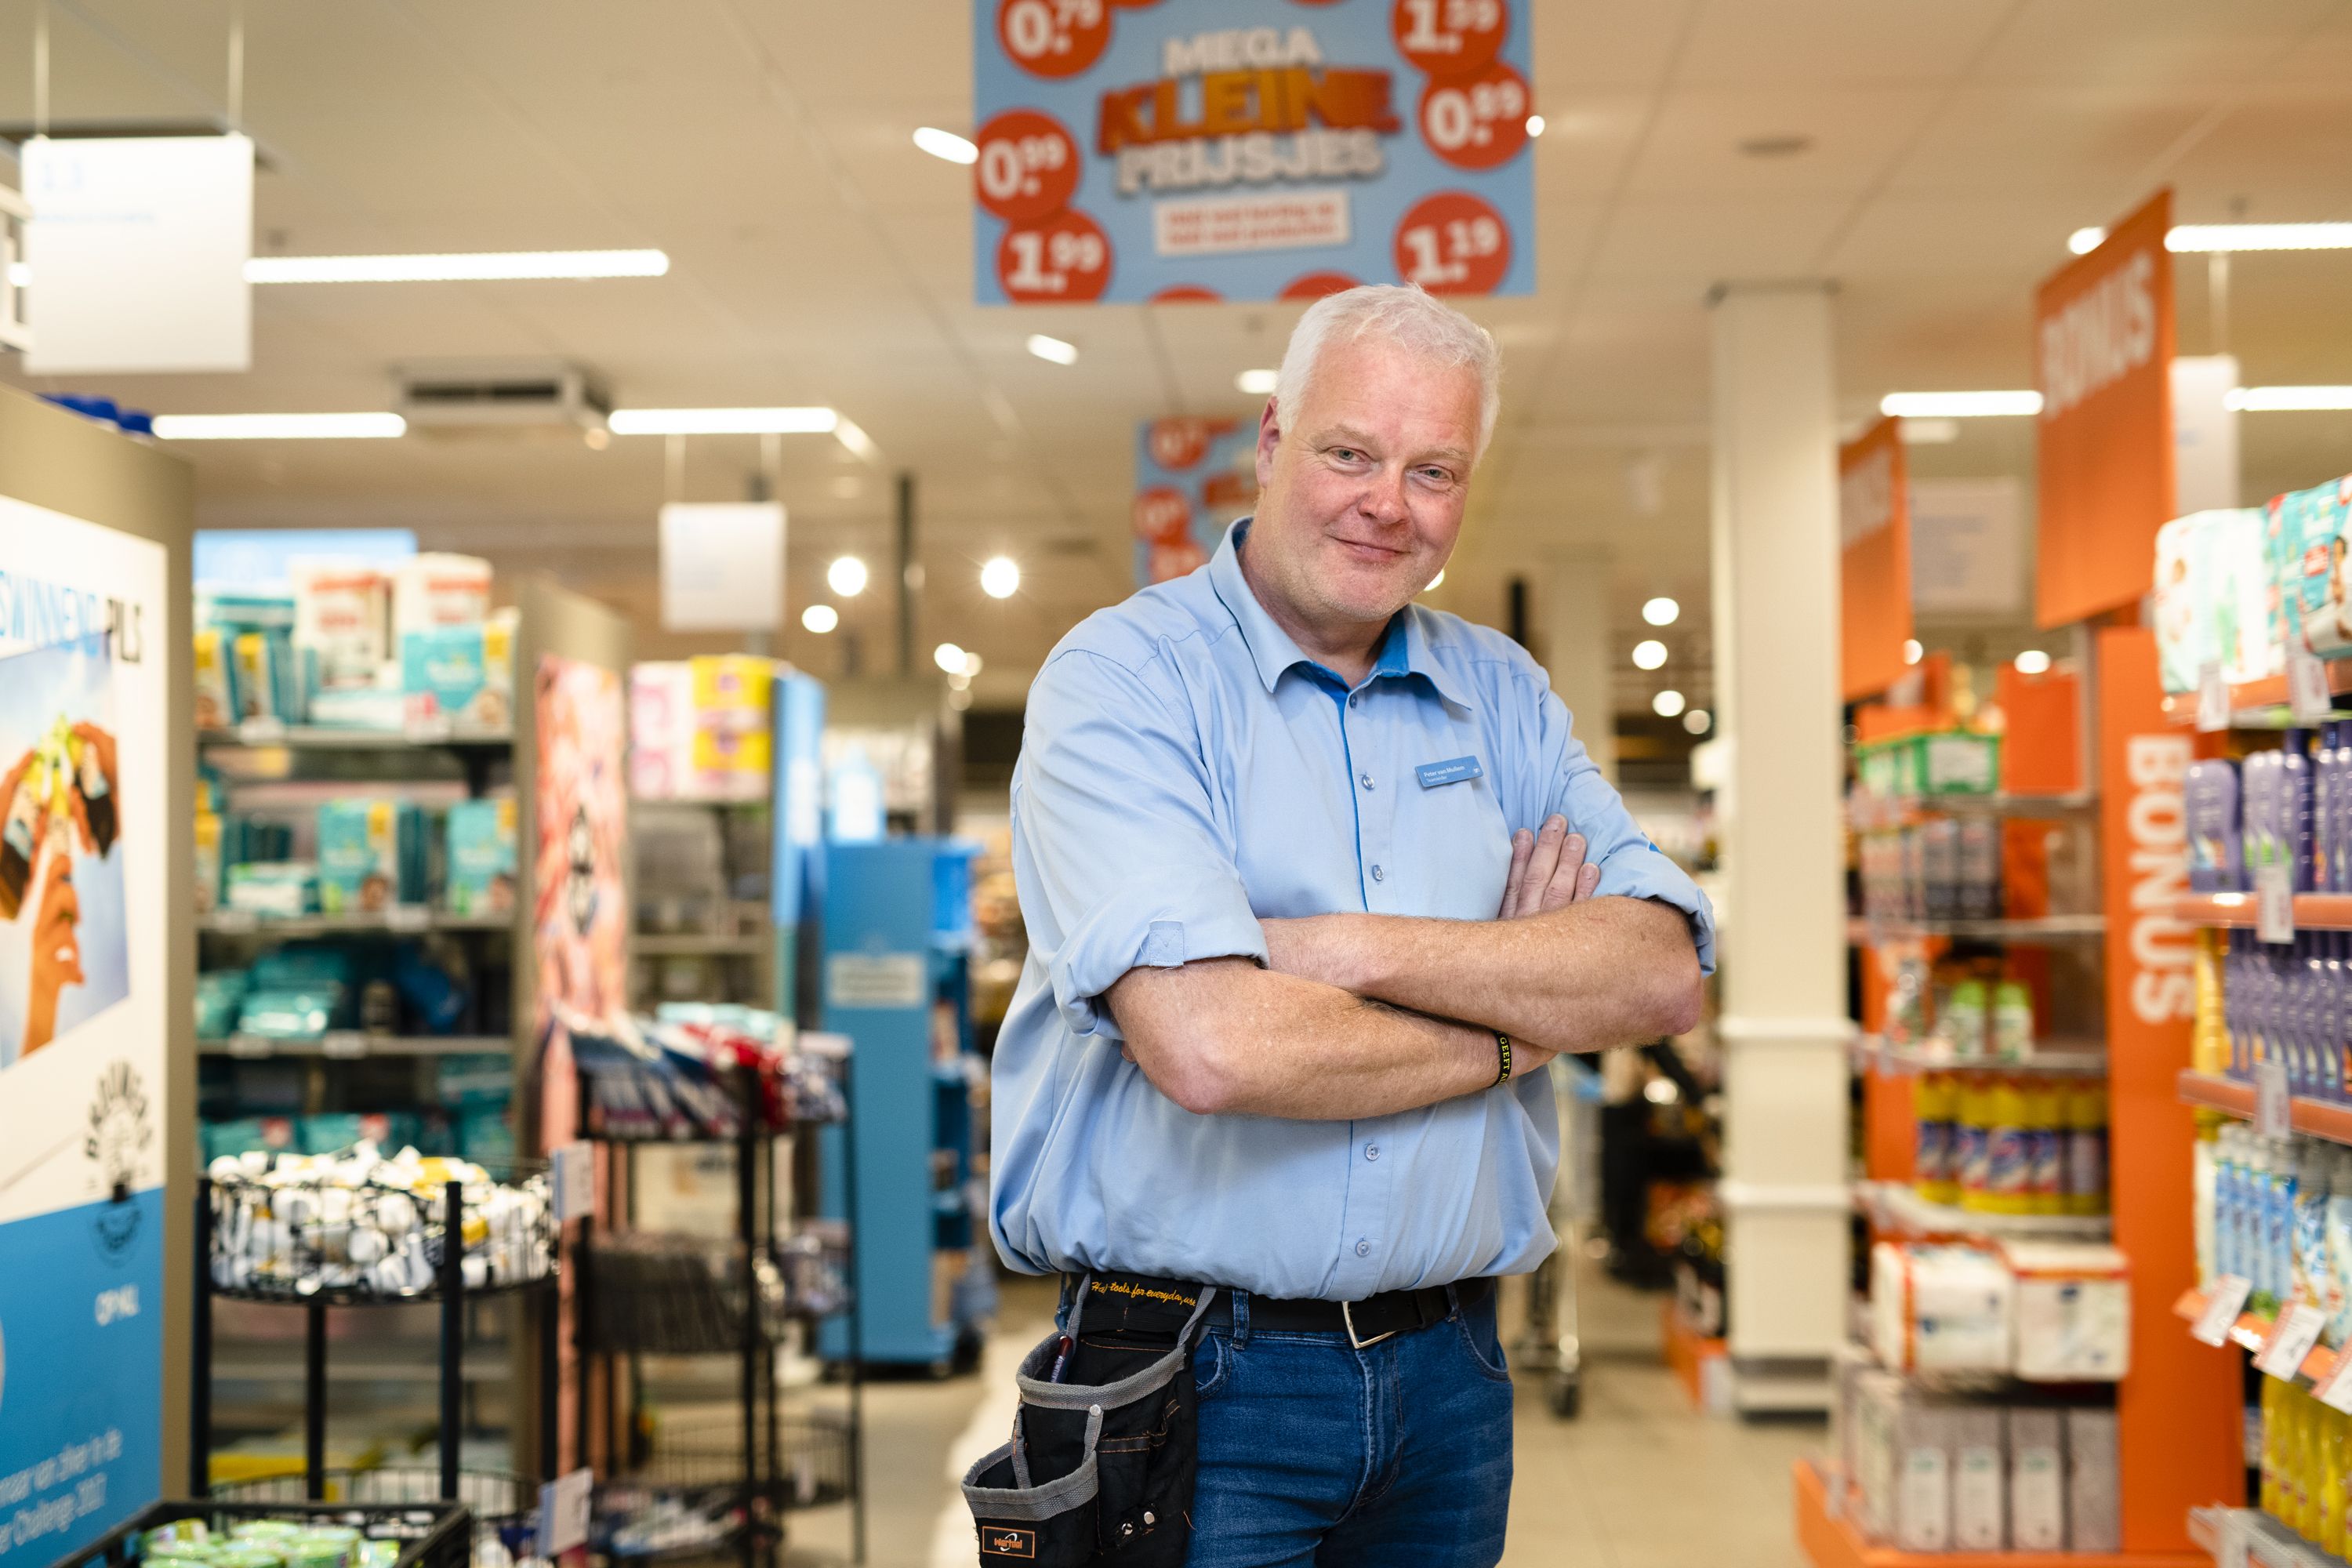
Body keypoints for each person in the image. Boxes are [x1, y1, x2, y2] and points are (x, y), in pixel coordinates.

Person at [989, 284, 1715, 1566]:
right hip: (1191, 1380)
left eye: (1434, 471)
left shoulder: (1501, 693)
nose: (1389, 503)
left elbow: (1659, 971)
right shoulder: (1125, 681)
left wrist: (1337, 945)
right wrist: (1515, 1026)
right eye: (1350, 454)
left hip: (1450, 1376)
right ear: (1272, 444)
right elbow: (1214, 1046)